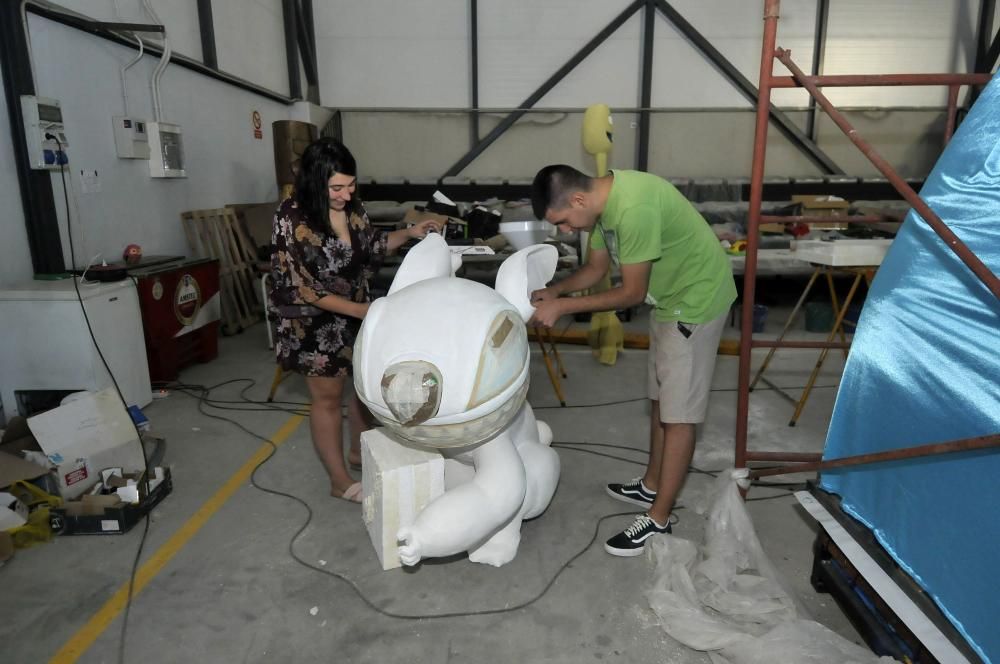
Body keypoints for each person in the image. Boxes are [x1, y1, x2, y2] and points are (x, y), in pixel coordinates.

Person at [529, 165, 736, 556]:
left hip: (695, 301)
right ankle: (651, 485)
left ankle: (658, 520)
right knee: (661, 400)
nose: (567, 230)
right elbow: (595, 269)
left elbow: (631, 293)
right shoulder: (602, 205)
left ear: (577, 200)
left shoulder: (633, 207)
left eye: (564, 221)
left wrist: (564, 307)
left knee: (679, 417)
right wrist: (551, 291)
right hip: (669, 300)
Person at [270, 137, 440, 502]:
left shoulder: (351, 207)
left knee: (363, 387)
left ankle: (356, 452)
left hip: (357, 311)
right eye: (337, 188)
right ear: (316, 182)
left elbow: (373, 244)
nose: (346, 195)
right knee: (328, 398)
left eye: (351, 186)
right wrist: (366, 311)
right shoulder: (292, 216)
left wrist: (409, 233)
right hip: (313, 323)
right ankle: (338, 480)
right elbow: (304, 288)